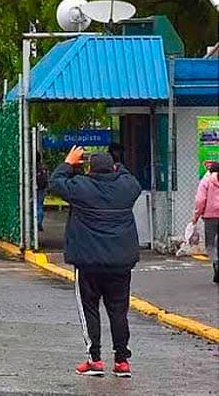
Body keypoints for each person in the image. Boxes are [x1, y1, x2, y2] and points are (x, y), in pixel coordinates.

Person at [49, 146, 141, 378]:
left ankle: (95, 359)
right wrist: (116, 165)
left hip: (88, 261)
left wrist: (69, 162)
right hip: (120, 262)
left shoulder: (81, 187)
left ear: (89, 169)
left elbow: (56, 181)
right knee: (119, 312)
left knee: (90, 310)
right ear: (113, 168)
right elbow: (129, 176)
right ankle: (121, 361)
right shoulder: (127, 188)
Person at [192, 161, 219, 283]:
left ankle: (216, 263)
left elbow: (200, 200)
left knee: (210, 245)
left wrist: (196, 216)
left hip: (210, 217)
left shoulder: (206, 181)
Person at [36, 152, 49, 232]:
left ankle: (35, 223)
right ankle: (39, 223)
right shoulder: (43, 167)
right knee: (39, 206)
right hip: (42, 188)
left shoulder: (31, 167)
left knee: (33, 206)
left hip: (34, 188)